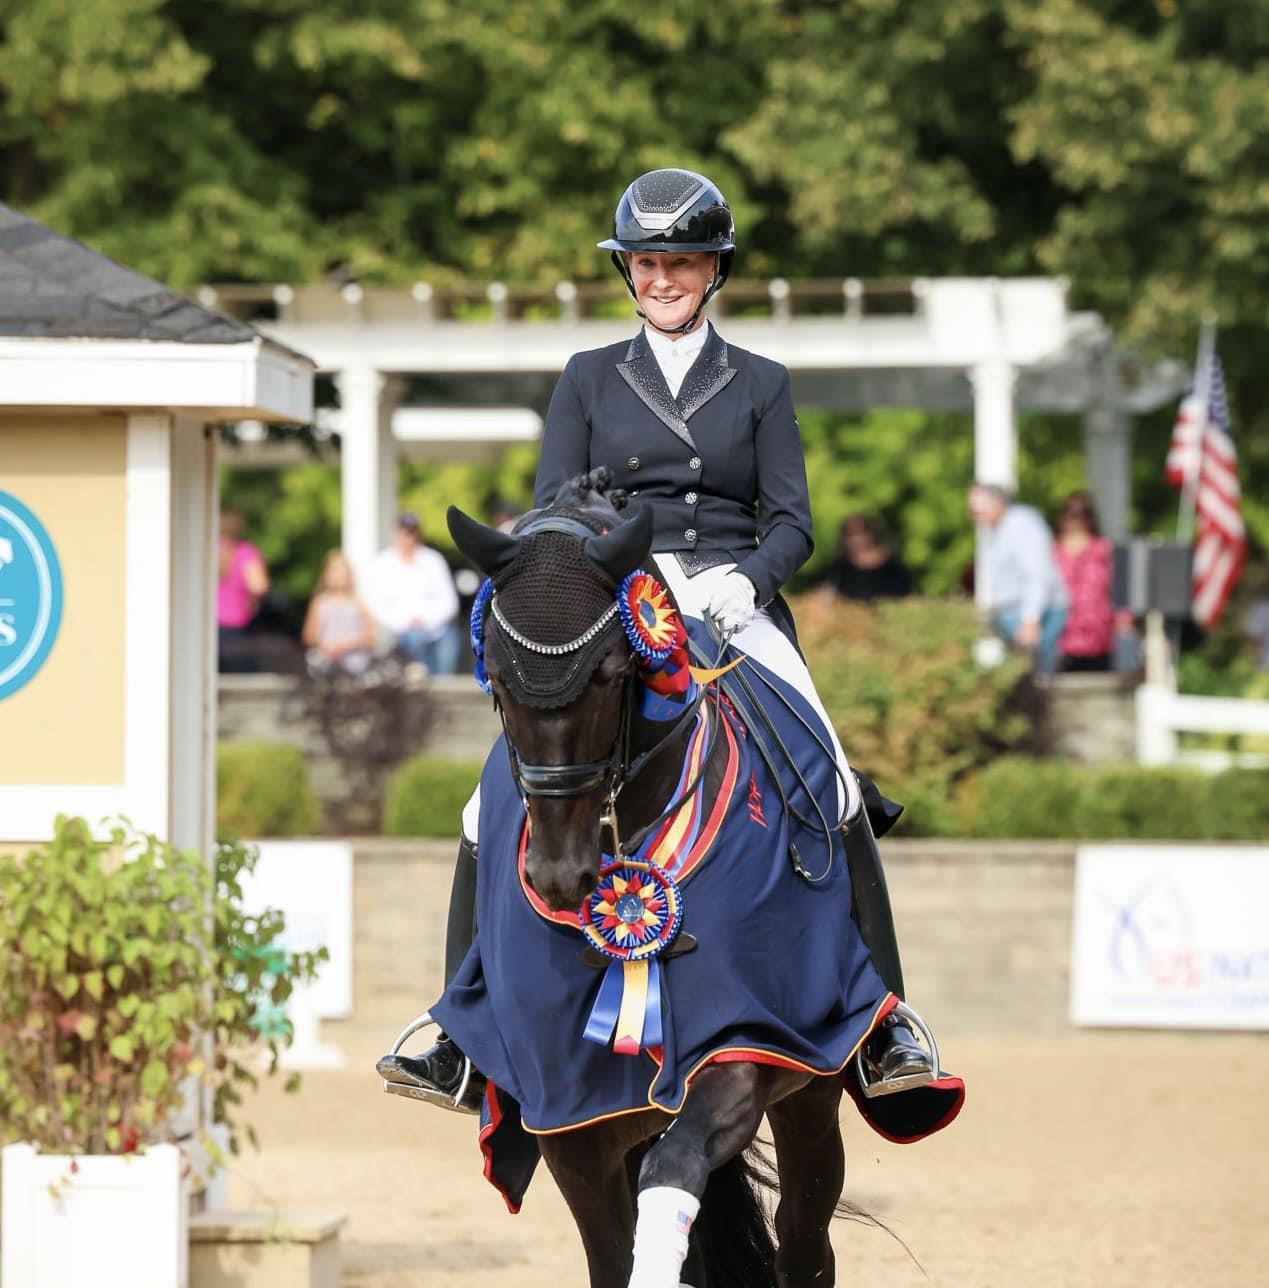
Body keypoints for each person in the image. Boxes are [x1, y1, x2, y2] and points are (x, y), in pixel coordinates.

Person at [380, 167, 936, 1109]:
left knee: (834, 781)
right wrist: (606, 578)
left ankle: (886, 1022)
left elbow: (793, 521)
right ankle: (456, 1029)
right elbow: (555, 507)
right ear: (627, 272)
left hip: (728, 602)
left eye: (681, 261)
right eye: (646, 263)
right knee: (486, 808)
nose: (663, 279)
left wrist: (744, 582)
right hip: (620, 598)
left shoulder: (759, 383)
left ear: (713, 271)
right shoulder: (588, 377)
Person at [967, 482, 1068, 673]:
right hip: (1016, 612)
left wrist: (1031, 618)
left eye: (978, 508)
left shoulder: (1021, 525)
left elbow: (1038, 575)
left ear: (997, 504)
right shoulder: (996, 529)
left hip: (1036, 612)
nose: (974, 515)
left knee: (1035, 678)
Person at [366, 512, 462, 675]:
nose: (407, 537)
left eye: (411, 532)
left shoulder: (433, 560)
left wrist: (426, 621)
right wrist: (405, 623)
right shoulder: (382, 563)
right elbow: (376, 604)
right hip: (401, 633)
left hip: (437, 630)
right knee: (414, 641)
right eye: (403, 532)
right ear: (395, 533)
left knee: (449, 644)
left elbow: (449, 601)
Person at [1052, 491, 1116, 671]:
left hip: (1098, 635)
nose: (1076, 520)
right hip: (1061, 635)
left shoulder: (1103, 550)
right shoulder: (1052, 552)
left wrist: (1122, 618)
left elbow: (1115, 586)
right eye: (1070, 513)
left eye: (1082, 514)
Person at [301, 549, 378, 678]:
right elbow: (309, 636)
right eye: (334, 571)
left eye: (342, 571)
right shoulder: (320, 602)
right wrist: (325, 645)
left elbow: (371, 637)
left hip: (354, 661)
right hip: (327, 659)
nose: (339, 576)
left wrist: (346, 645)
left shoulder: (358, 602)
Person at [216, 510, 269, 673]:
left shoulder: (206, 549)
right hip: (236, 626)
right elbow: (259, 586)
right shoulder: (245, 552)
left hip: (207, 623)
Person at [820, 512, 912, 601]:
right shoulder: (839, 568)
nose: (856, 539)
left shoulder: (893, 565)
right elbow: (825, 596)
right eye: (850, 534)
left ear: (872, 533)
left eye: (860, 532)